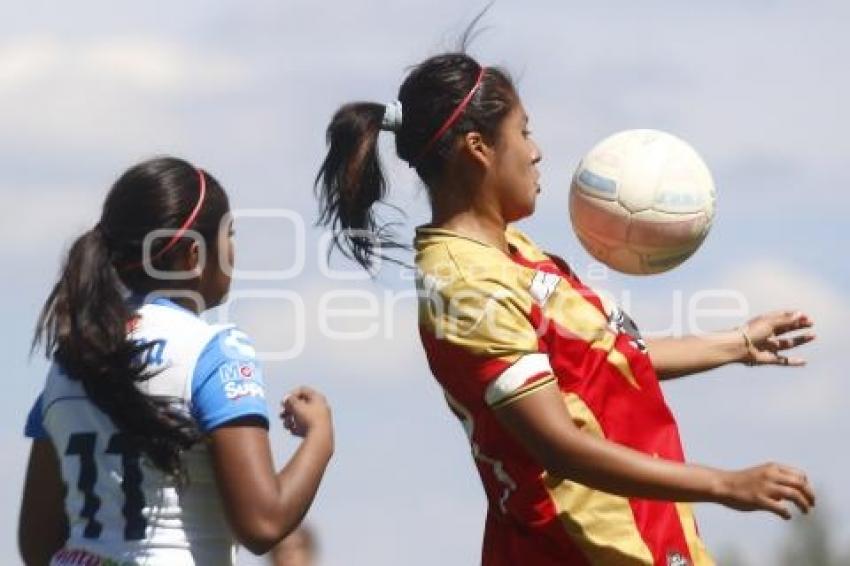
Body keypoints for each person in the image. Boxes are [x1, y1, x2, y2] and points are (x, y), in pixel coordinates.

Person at [315, 49, 816, 565]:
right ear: (479, 147)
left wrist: (738, 343)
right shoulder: (465, 284)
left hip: (639, 537)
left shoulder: (515, 252)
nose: (536, 152)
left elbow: (603, 360)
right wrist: (723, 483)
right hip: (576, 548)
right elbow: (557, 445)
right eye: (524, 132)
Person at [19, 157, 333, 566]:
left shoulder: (69, 363)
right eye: (230, 235)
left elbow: (38, 543)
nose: (235, 253)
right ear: (193, 255)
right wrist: (320, 438)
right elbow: (263, 523)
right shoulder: (212, 351)